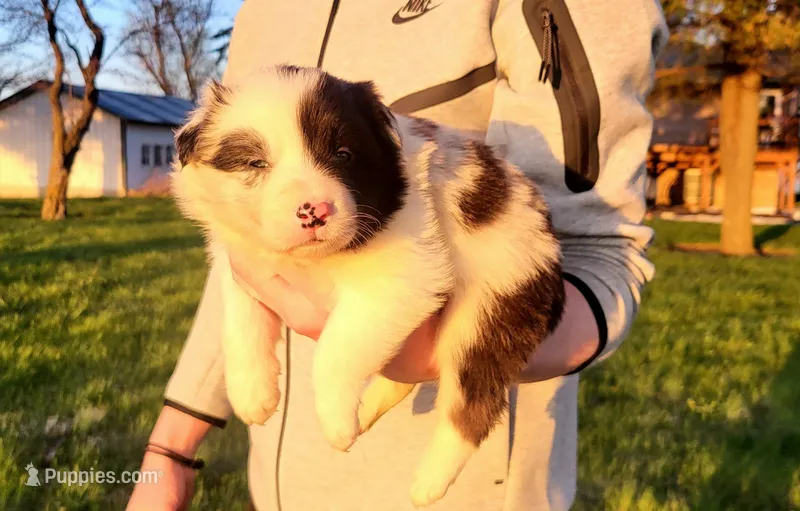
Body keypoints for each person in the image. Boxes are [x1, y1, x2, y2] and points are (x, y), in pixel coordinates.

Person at [127, 0, 668, 509]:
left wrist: (432, 356)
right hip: (281, 483)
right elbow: (242, 251)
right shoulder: (262, 11)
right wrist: (173, 440)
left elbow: (601, 250)